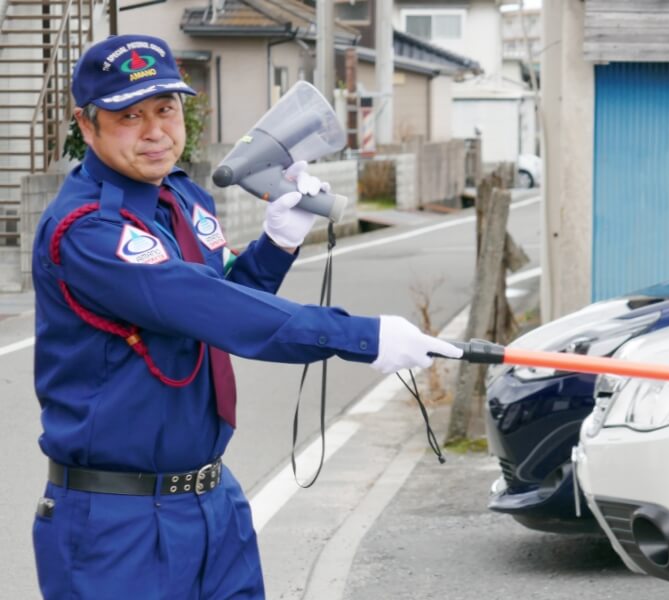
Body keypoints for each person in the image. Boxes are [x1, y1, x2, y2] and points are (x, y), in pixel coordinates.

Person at [30, 34, 461, 599]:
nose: (156, 130)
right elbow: (213, 308)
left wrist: (276, 244)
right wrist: (364, 336)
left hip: (213, 502)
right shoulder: (88, 231)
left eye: (165, 109)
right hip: (117, 521)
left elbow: (219, 304)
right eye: (128, 116)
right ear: (88, 127)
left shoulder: (183, 201)